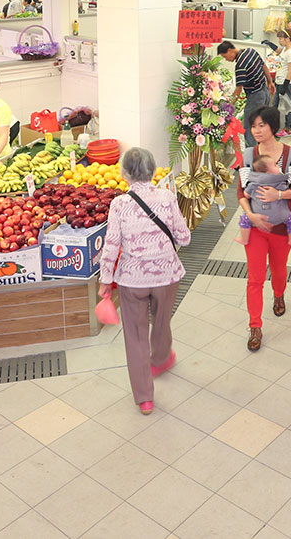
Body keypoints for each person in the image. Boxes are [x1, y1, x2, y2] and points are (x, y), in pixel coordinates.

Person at [97, 147, 190, 415]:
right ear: (152, 170)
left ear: (124, 173)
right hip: (166, 275)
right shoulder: (167, 197)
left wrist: (105, 281)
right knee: (161, 321)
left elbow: (111, 245)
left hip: (132, 279)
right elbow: (184, 237)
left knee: (136, 336)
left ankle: (144, 397)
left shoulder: (119, 204)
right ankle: (161, 359)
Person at [236, 107, 291, 351]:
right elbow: (240, 192)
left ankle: (279, 294)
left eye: (261, 125)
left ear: (272, 127)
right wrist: (251, 215)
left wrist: (280, 193)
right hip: (255, 227)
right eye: (253, 126)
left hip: (280, 226)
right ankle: (255, 326)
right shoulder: (247, 156)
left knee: (278, 268)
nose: (256, 130)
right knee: (254, 279)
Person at [216, 41, 271, 147]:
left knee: (250, 126)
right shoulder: (251, 51)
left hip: (255, 97)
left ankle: (252, 153)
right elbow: (264, 66)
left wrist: (229, 105)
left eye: (225, 56)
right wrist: (270, 82)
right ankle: (262, 147)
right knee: (262, 122)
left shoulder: (240, 66)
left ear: (230, 51)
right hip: (264, 91)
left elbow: (238, 89)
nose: (226, 59)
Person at [271, 31, 291, 136]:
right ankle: (273, 126)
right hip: (279, 81)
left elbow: (290, 70)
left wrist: (285, 85)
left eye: (281, 39)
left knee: (287, 106)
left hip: (286, 83)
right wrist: (270, 44)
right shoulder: (285, 49)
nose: (279, 41)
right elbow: (279, 50)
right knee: (275, 105)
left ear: (287, 39)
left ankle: (288, 128)